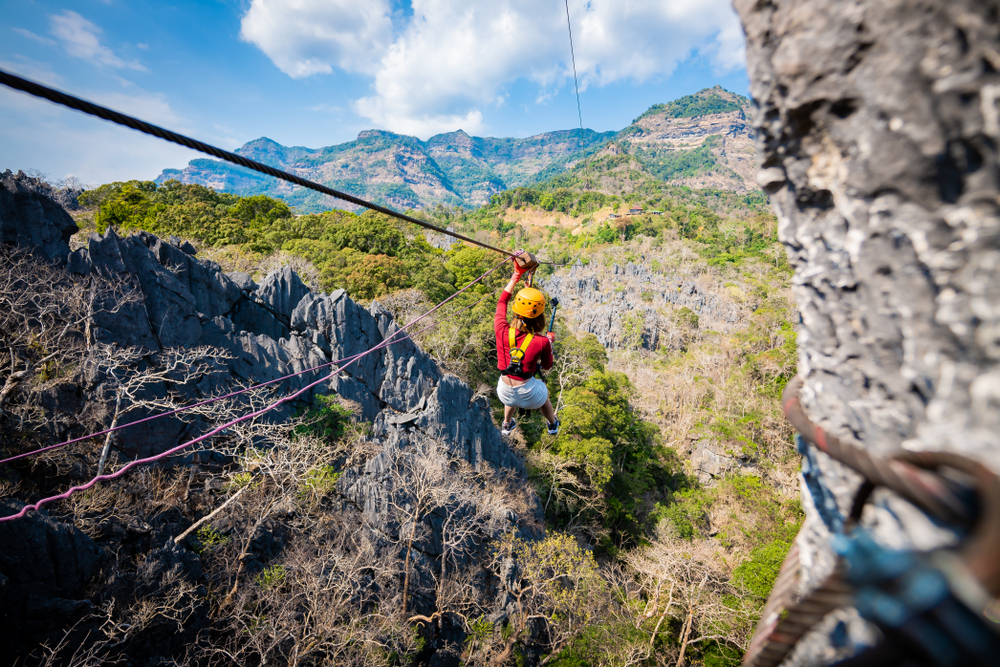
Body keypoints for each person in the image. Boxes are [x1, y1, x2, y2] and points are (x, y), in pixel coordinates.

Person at [494, 263, 559, 436]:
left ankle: (506, 424)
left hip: (504, 390)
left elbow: (502, 301)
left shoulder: (501, 329)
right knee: (543, 393)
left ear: (516, 310)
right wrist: (549, 344)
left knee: (511, 390)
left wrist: (517, 275)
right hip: (530, 395)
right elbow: (546, 366)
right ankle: (552, 424)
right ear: (539, 317)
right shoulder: (542, 342)